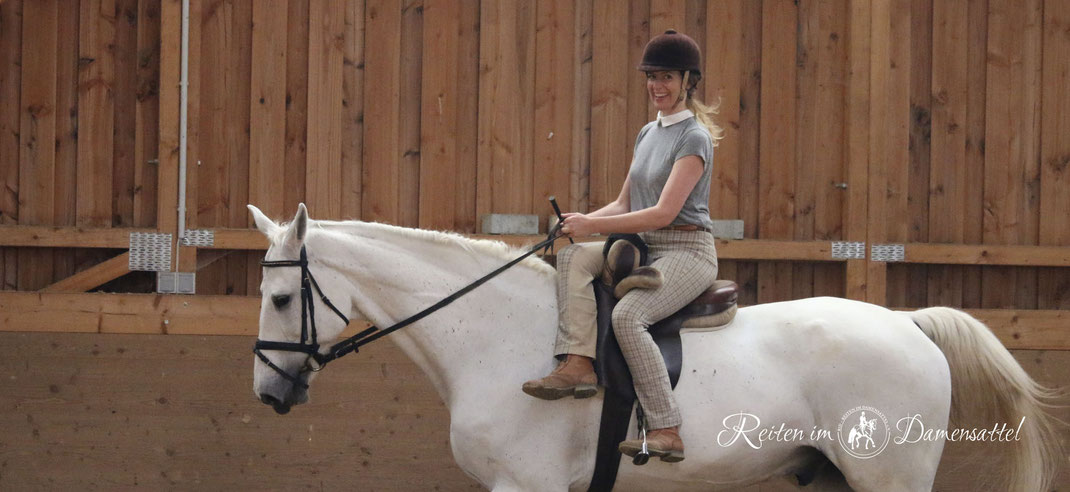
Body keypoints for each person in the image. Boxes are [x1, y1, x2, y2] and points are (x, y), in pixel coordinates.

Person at [522, 30, 722, 463]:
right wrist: (578, 222)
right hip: (646, 246)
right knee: (574, 255)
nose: (657, 86)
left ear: (688, 80)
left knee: (631, 317)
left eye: (666, 76)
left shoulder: (694, 138)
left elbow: (663, 213)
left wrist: (594, 222)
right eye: (651, 77)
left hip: (687, 251)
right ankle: (578, 363)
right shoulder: (647, 133)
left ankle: (666, 427)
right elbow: (625, 204)